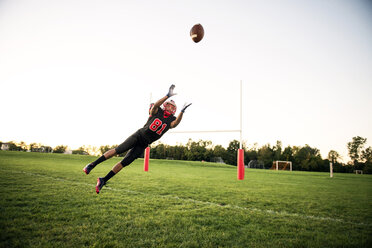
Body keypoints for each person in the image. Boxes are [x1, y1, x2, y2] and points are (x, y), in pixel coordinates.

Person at [83, 84, 191, 194]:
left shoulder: (172, 120)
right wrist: (167, 95)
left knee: (125, 162)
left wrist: (182, 112)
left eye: (173, 107)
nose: (171, 108)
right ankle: (92, 164)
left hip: (144, 143)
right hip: (139, 135)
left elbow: (176, 123)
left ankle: (103, 180)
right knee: (119, 150)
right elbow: (155, 106)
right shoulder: (157, 111)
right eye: (169, 105)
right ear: (165, 105)